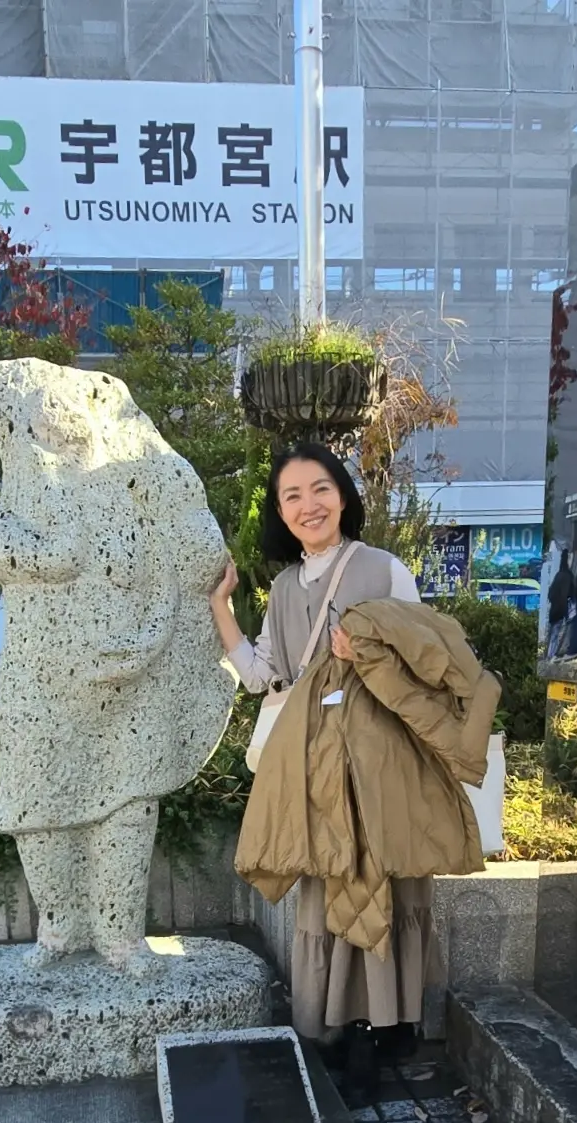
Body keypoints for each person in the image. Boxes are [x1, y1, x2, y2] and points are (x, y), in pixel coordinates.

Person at [210, 441, 436, 1077]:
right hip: (316, 768)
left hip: (377, 765)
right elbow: (262, 678)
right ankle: (339, 1030)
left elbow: (426, 664)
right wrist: (221, 605)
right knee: (330, 888)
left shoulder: (384, 569)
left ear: (343, 495)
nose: (308, 505)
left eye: (320, 489)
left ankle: (386, 1031)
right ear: (280, 512)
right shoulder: (283, 588)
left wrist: (372, 654)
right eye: (292, 495)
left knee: (380, 885)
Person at [546, 549, 575, 658]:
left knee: (552, 634)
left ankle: (549, 655)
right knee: (558, 634)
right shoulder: (568, 576)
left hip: (554, 610)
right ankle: (552, 656)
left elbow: (551, 593)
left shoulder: (558, 575)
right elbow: (572, 594)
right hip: (563, 610)